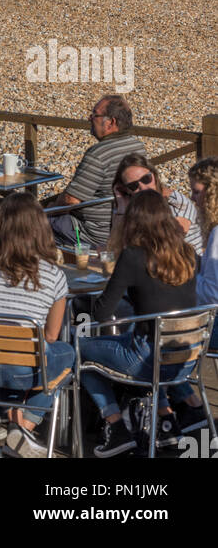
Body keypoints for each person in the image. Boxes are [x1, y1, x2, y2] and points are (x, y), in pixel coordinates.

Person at [78, 189, 204, 457]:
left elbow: (101, 314)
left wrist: (118, 285)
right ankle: (167, 421)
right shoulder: (188, 253)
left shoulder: (134, 256)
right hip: (186, 360)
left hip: (146, 361)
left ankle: (115, 424)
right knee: (143, 340)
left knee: (77, 351)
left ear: (134, 221)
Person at [0, 193, 73, 459]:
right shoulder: (54, 275)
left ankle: (12, 427)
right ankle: (24, 426)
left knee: (6, 346)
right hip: (24, 368)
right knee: (67, 353)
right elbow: (50, 335)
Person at [48, 95, 144, 249]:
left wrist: (50, 208)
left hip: (92, 233)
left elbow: (71, 200)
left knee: (27, 223)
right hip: (126, 227)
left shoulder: (98, 154)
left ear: (111, 122)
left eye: (95, 115)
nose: (90, 118)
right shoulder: (138, 147)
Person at [110, 154, 202, 253]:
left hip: (187, 263)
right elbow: (114, 247)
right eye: (133, 186)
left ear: (154, 175)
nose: (143, 188)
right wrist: (122, 207)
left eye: (146, 179)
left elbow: (167, 247)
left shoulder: (176, 203)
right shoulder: (131, 205)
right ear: (126, 190)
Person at [190, 156, 218, 353]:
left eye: (196, 192)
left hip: (213, 326)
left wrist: (183, 278)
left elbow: (211, 294)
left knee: (153, 324)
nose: (192, 198)